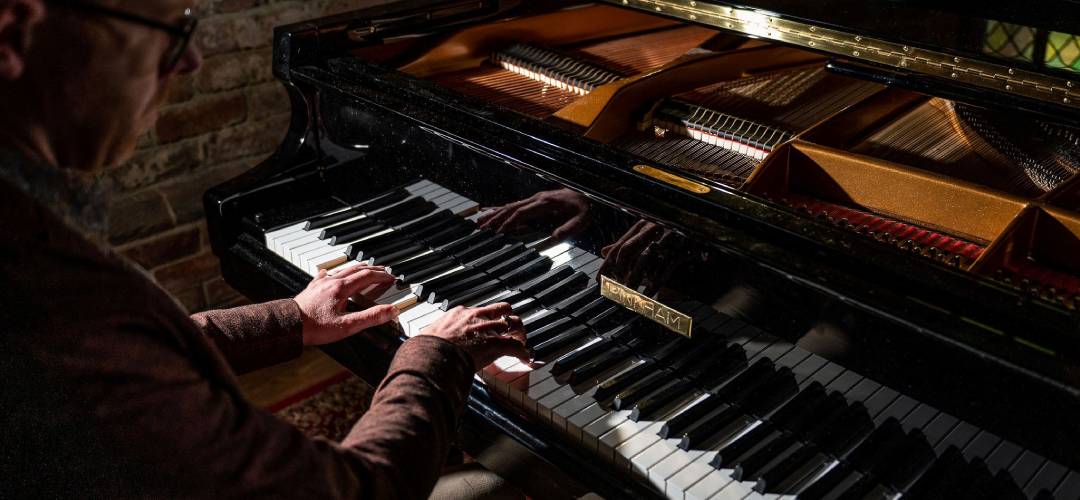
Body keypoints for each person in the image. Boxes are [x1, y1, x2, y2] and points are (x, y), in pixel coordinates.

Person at [0, 0, 530, 498]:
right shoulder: (45, 294)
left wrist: (290, 318)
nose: (191, 61)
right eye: (173, 29)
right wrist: (438, 356)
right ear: (13, 32)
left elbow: (130, 356)